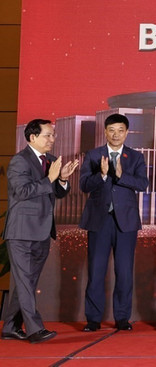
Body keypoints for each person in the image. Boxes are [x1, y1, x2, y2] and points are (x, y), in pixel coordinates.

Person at [1, 119, 78, 344]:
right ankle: (35, 330)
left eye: (53, 135)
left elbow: (58, 194)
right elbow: (23, 191)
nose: (53, 139)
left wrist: (62, 179)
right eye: (48, 135)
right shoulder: (19, 161)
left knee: (28, 282)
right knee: (25, 281)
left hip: (43, 232)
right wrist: (51, 178)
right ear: (32, 137)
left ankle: (10, 327)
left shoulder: (52, 161)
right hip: (21, 232)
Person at [79, 113, 149, 331]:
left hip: (126, 222)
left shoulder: (136, 157)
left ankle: (121, 318)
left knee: (125, 271)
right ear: (105, 131)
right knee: (96, 271)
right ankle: (93, 319)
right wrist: (101, 175)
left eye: (120, 130)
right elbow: (83, 185)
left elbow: (143, 184)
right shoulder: (93, 155)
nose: (116, 134)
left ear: (126, 132)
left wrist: (120, 175)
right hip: (99, 221)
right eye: (112, 130)